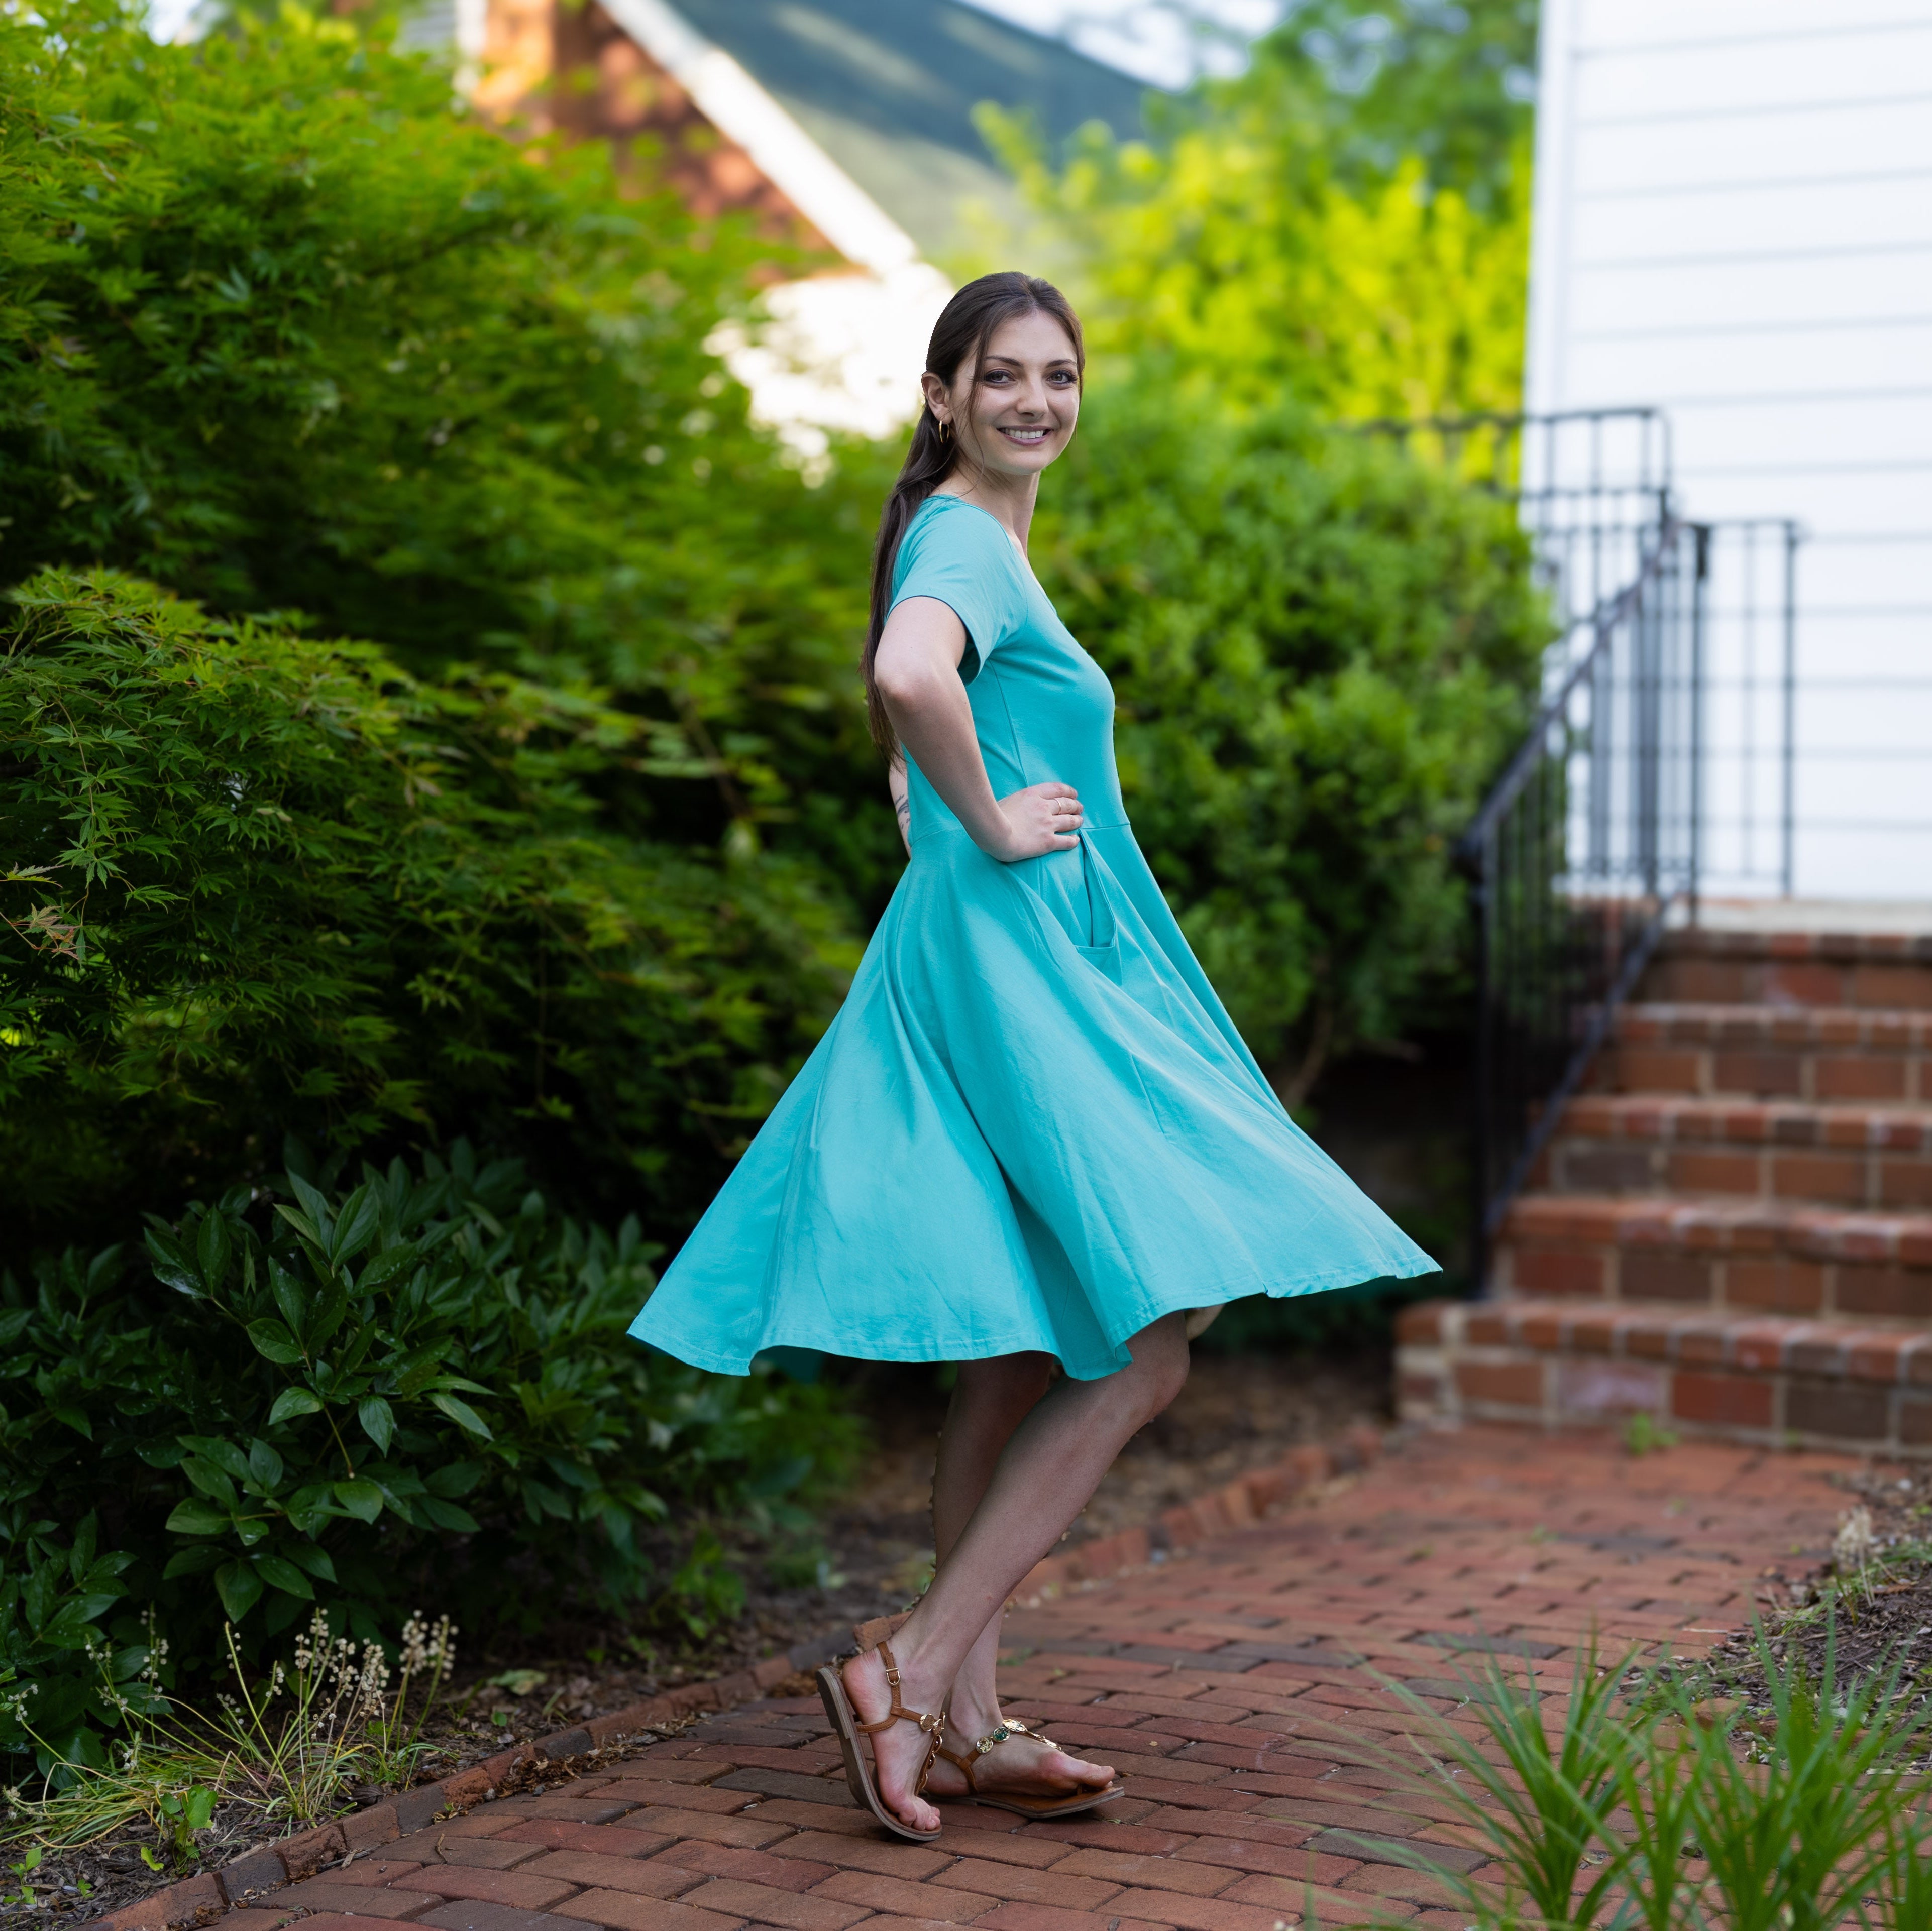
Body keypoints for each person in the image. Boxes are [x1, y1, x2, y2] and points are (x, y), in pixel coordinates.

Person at [629, 272, 1438, 1840]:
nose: (1036, 402)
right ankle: (915, 1671)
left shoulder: (973, 540)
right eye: (1003, 376)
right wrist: (996, 826)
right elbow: (909, 682)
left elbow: (906, 756)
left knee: (1021, 1342)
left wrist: (961, 826)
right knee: (1150, 1330)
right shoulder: (956, 541)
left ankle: (968, 1721)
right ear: (942, 395)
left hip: (1000, 952)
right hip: (1011, 965)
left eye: (1059, 376)